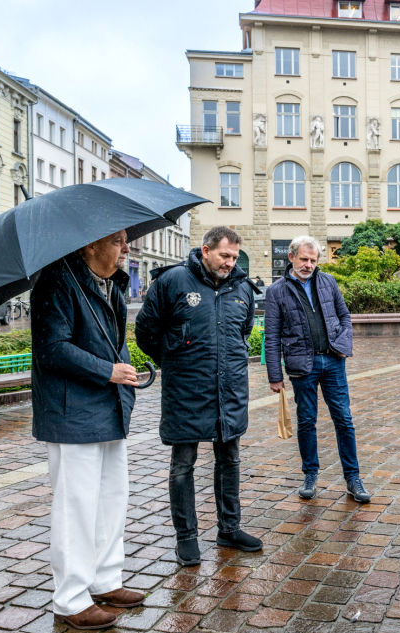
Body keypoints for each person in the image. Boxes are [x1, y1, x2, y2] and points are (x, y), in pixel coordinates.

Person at [31, 230, 145, 629]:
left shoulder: (112, 284)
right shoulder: (57, 281)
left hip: (108, 406)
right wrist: (108, 372)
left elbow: (114, 344)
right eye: (117, 240)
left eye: (126, 239)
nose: (126, 248)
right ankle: (71, 599)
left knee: (112, 498)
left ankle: (105, 579)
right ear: (88, 245)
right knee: (75, 507)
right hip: (71, 412)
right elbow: (53, 348)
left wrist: (125, 376)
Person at [134, 226, 263, 566]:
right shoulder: (172, 282)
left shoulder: (242, 288)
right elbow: (146, 332)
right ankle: (187, 538)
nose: (230, 263)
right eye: (224, 256)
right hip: (186, 389)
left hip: (230, 387)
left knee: (230, 459)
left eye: (234, 257)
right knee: (183, 465)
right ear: (205, 251)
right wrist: (175, 360)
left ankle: (229, 528)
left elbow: (243, 331)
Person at [263, 236, 370, 503]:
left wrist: (343, 343)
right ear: (291, 258)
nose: (308, 265)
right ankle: (310, 475)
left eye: (313, 260)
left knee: (344, 420)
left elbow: (344, 315)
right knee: (307, 422)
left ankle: (353, 478)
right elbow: (272, 335)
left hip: (333, 361)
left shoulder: (328, 281)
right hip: (302, 366)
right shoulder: (276, 291)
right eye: (304, 259)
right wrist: (275, 375)